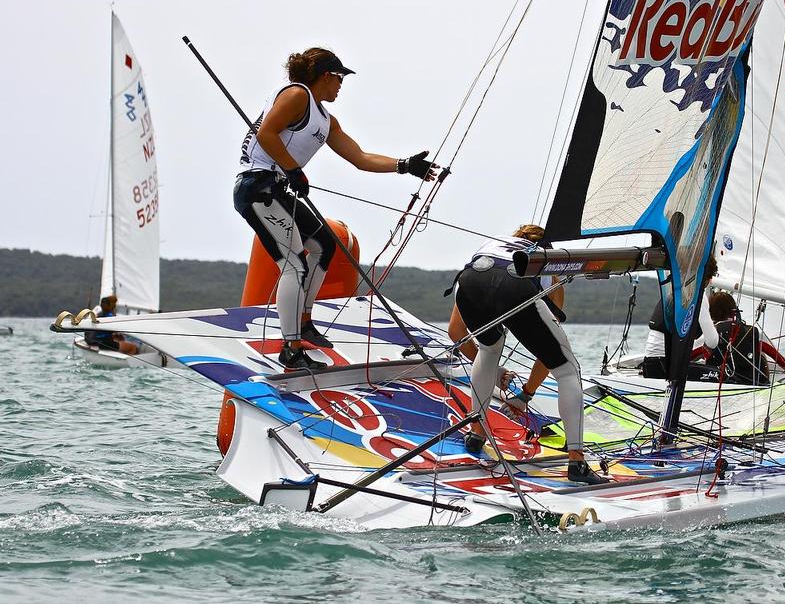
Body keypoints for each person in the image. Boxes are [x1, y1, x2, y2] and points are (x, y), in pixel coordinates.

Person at [234, 47, 437, 370]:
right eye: (340, 78)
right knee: (295, 264)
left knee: (325, 244)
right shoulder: (298, 95)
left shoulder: (326, 120)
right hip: (257, 188)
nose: (342, 85)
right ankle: (291, 348)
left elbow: (360, 158)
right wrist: (292, 169)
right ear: (325, 76)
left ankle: (303, 321)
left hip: (278, 187)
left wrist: (405, 165)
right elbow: (266, 134)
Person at [447, 224, 606, 485]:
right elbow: (549, 352)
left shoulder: (494, 244)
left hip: (470, 280)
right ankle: (577, 461)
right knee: (567, 370)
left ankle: (476, 434)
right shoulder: (548, 261)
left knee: (488, 349)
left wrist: (497, 373)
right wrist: (526, 395)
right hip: (515, 286)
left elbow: (455, 331)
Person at [640, 256, 720, 380]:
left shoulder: (674, 289)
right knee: (721, 375)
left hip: (650, 364)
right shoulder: (697, 295)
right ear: (708, 279)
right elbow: (712, 341)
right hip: (666, 367)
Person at [700, 292, 785, 385]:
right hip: (752, 382)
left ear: (710, 312)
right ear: (734, 310)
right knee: (758, 349)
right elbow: (770, 351)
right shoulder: (752, 332)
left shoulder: (708, 335)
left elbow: (697, 352)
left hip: (719, 382)